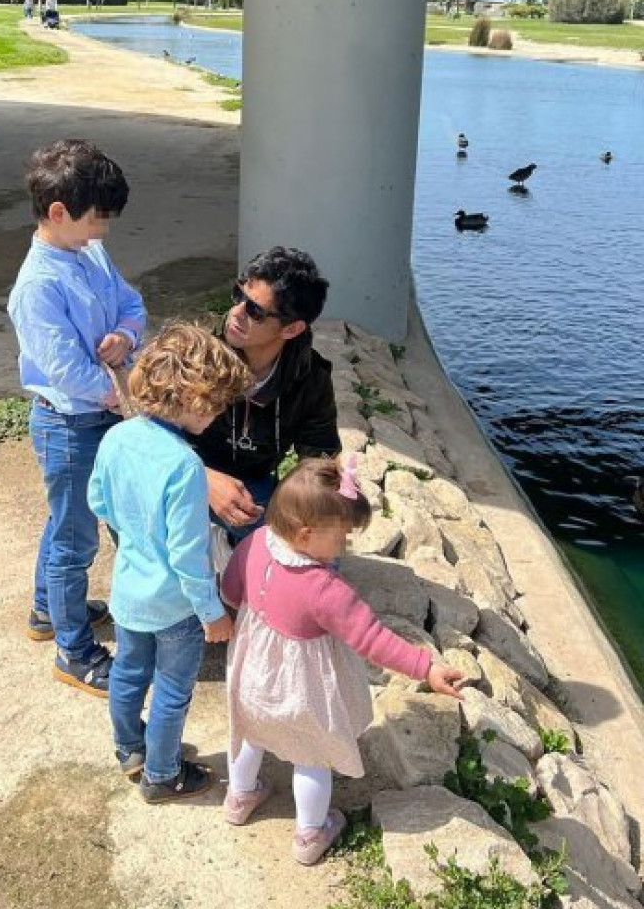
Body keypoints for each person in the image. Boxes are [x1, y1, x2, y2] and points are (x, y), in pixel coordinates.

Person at [220, 458, 465, 865]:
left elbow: (231, 589)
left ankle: (239, 797)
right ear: (305, 534)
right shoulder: (325, 589)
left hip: (254, 674)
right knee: (313, 756)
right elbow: (373, 639)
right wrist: (427, 668)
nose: (345, 547)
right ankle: (310, 835)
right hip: (301, 690)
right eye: (341, 539)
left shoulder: (256, 541)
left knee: (250, 732)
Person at [88, 323, 251, 802]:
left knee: (128, 673)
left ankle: (130, 750)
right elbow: (186, 553)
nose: (218, 416)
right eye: (217, 404)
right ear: (194, 398)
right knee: (172, 691)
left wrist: (137, 530)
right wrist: (212, 613)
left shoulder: (117, 438)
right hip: (176, 606)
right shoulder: (182, 464)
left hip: (128, 593)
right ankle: (163, 775)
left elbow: (99, 501)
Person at [8, 139, 146, 698]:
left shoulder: (89, 254)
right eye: (97, 219)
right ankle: (75, 651)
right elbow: (66, 372)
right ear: (59, 213)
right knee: (75, 540)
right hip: (69, 426)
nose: (103, 231)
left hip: (98, 416)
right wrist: (125, 398)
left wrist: (126, 335)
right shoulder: (38, 286)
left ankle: (48, 610)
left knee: (66, 522)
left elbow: (132, 302)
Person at [190, 246, 341, 544]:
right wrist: (202, 478)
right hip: (184, 476)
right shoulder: (199, 354)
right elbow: (151, 435)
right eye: (239, 295)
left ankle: (234, 549)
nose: (236, 313)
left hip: (252, 491)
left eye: (255, 310)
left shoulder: (310, 379)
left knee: (316, 547)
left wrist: (306, 503)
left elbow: (318, 456)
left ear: (292, 328)